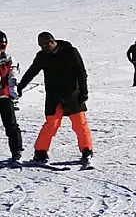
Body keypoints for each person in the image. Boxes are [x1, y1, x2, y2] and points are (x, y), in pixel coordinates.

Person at [17, 32, 94, 165]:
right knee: (51, 124)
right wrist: (21, 86)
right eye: (41, 46)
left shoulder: (70, 52)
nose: (43, 49)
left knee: (80, 124)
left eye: (45, 45)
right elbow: (32, 71)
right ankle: (40, 152)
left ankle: (87, 150)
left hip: (73, 95)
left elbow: (81, 72)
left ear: (52, 42)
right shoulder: (42, 56)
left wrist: (84, 92)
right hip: (53, 97)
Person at [0, 31, 23, 162]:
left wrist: (13, 92)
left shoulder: (8, 59)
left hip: (4, 96)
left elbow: (13, 75)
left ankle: (16, 151)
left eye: (2, 47)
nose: (0, 50)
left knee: (11, 125)